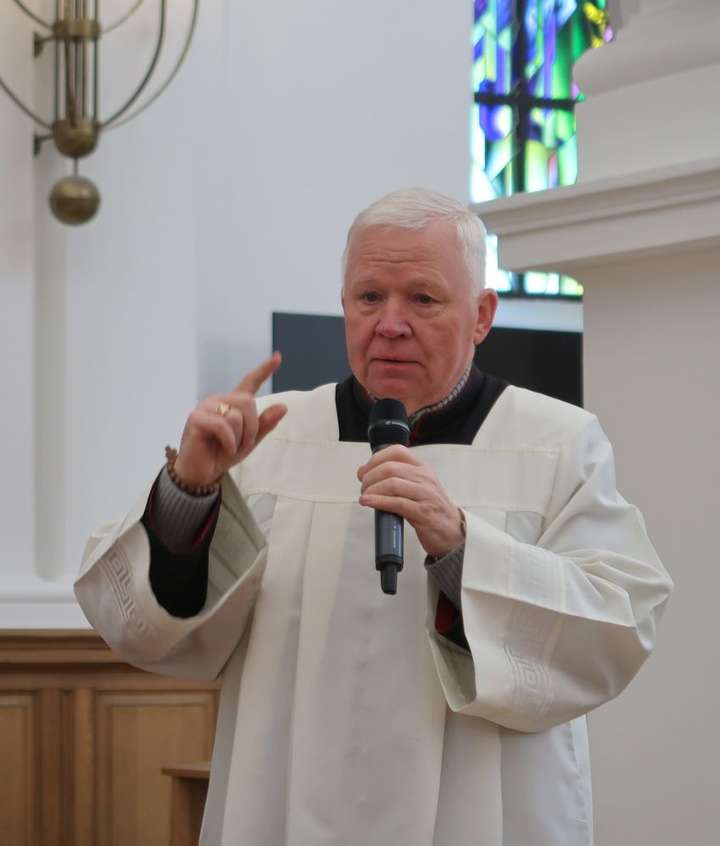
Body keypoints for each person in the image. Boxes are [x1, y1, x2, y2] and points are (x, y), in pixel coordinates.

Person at [75, 188, 673, 846]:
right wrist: (189, 492)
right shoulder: (268, 437)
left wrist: (464, 549)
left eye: (422, 298)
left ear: (481, 315)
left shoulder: (558, 443)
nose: (390, 324)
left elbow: (617, 624)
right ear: (344, 306)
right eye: (369, 297)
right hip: (285, 801)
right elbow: (141, 627)